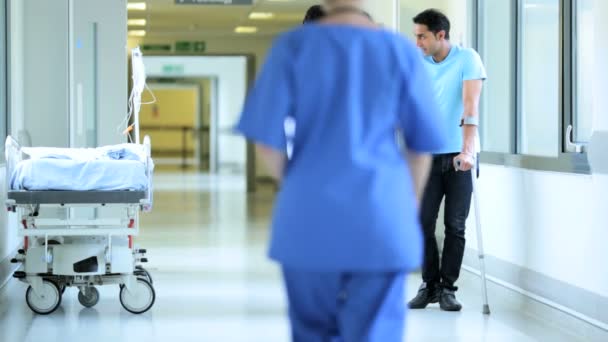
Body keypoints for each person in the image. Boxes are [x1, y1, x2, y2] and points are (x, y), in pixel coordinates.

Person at [236, 0, 447, 340]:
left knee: (313, 332)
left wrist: (298, 185)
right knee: (374, 332)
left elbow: (266, 141)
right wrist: (403, 206)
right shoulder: (399, 52)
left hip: (308, 219)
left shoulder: (293, 47)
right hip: (381, 218)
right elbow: (420, 149)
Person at [408, 9, 487, 312]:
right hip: (426, 156)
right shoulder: (418, 63)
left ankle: (447, 288)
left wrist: (467, 150)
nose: (418, 43)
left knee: (455, 225)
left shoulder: (468, 59)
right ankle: (429, 285)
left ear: (440, 35)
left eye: (422, 36)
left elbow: (470, 106)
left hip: (459, 157)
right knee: (422, 222)